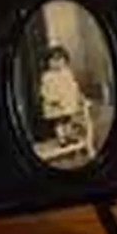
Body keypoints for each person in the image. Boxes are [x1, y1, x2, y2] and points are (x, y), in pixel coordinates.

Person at [31, 37, 98, 168]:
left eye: (60, 60)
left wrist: (80, 97)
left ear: (65, 61)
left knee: (68, 120)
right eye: (53, 60)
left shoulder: (67, 73)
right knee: (59, 122)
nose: (57, 63)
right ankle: (62, 138)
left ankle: (68, 137)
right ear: (48, 62)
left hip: (68, 103)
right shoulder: (48, 76)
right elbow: (45, 91)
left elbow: (74, 86)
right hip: (56, 105)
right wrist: (53, 100)